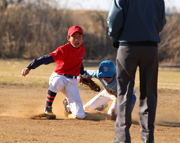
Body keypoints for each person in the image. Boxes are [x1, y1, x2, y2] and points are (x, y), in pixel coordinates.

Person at [107, 0, 166, 143]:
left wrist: (115, 37)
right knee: (149, 93)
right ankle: (148, 138)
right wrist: (149, 31)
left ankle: (122, 138)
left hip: (128, 47)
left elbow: (114, 19)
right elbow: (161, 21)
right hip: (151, 47)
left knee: (124, 91)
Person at [21, 25, 86, 119]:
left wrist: (82, 75)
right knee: (56, 82)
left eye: (79, 37)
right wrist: (30, 67)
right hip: (60, 76)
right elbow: (46, 58)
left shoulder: (82, 49)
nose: (77, 39)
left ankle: (68, 107)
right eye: (74, 36)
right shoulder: (63, 50)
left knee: (80, 116)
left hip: (72, 82)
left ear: (82, 38)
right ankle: (48, 108)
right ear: (68, 38)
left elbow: (79, 62)